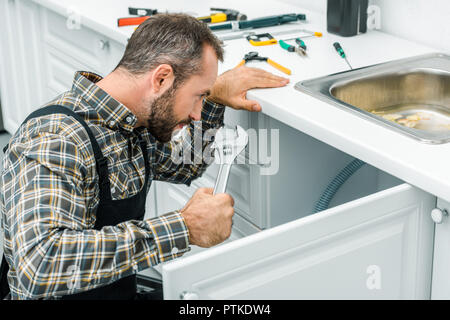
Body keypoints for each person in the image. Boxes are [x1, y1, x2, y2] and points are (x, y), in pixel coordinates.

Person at [0, 13, 289, 300]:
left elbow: (184, 165)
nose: (196, 113)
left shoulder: (134, 124)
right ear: (161, 78)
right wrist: (184, 227)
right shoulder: (56, 138)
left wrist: (212, 101)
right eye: (198, 96)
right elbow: (39, 265)